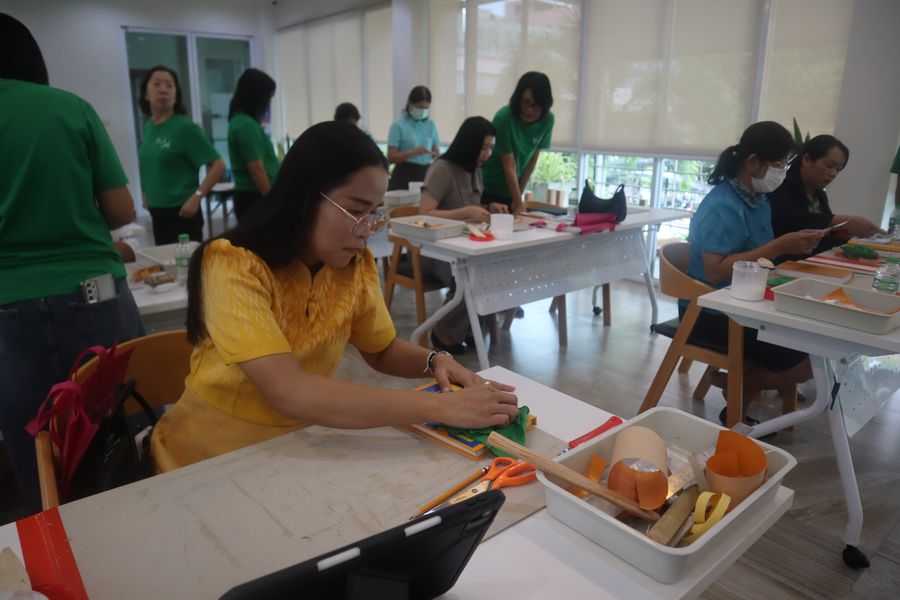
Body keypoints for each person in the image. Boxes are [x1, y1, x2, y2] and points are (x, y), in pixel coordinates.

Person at [150, 121, 518, 472]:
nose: (366, 230)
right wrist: (438, 407)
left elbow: (381, 350)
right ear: (304, 198)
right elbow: (289, 392)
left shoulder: (351, 266)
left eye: (373, 214)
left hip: (298, 444)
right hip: (208, 454)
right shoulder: (231, 263)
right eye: (356, 211)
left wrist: (436, 359)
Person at [0, 14, 144, 515]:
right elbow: (121, 211)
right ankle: (137, 525)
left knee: (36, 446)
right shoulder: (70, 108)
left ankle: (55, 544)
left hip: (8, 303)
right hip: (95, 291)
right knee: (118, 425)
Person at [687, 121, 822, 425]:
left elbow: (758, 255)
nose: (782, 173)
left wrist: (790, 246)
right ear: (753, 162)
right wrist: (778, 246)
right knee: (809, 359)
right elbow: (714, 271)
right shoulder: (723, 204)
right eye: (778, 165)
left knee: (814, 346)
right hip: (711, 313)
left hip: (744, 302)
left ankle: (737, 391)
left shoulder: (758, 200)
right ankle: (738, 385)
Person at [418, 117, 496, 352]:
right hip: (436, 251)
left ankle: (469, 329)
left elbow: (471, 207)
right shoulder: (442, 169)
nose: (487, 154)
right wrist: (465, 212)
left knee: (492, 269)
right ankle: (444, 333)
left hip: (467, 247)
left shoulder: (475, 170)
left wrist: (489, 208)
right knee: (474, 276)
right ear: (469, 144)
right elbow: (425, 214)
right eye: (483, 148)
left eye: (491, 148)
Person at [138, 65, 225, 244]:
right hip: (157, 211)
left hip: (183, 212)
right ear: (146, 94)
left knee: (184, 261)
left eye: (169, 85)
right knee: (163, 259)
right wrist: (146, 194)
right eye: (157, 84)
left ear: (176, 95)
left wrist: (197, 196)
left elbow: (218, 165)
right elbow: (149, 164)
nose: (163, 89)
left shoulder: (185, 128)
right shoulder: (149, 128)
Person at [769, 134, 880, 260]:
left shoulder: (819, 194)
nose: (833, 173)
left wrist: (843, 232)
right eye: (829, 166)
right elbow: (788, 222)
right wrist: (837, 221)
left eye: (838, 169)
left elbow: (823, 235)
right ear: (807, 160)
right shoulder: (781, 185)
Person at [480, 72, 554, 215]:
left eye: (536, 105)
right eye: (526, 102)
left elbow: (532, 161)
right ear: (518, 98)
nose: (529, 110)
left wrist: (518, 197)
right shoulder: (504, 117)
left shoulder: (548, 120)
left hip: (512, 189)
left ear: (545, 105)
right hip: (489, 187)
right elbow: (510, 165)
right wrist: (518, 202)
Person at [228, 68, 279, 222]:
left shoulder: (240, 121)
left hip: (252, 195)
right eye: (268, 97)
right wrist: (272, 201)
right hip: (255, 196)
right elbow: (256, 169)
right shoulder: (246, 125)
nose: (268, 104)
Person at [387, 86, 439, 191]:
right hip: (404, 172)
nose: (422, 111)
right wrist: (413, 152)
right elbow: (391, 157)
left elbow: (436, 151)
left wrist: (436, 155)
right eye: (419, 107)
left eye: (426, 108)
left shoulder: (431, 125)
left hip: (426, 172)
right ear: (410, 104)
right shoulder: (398, 125)